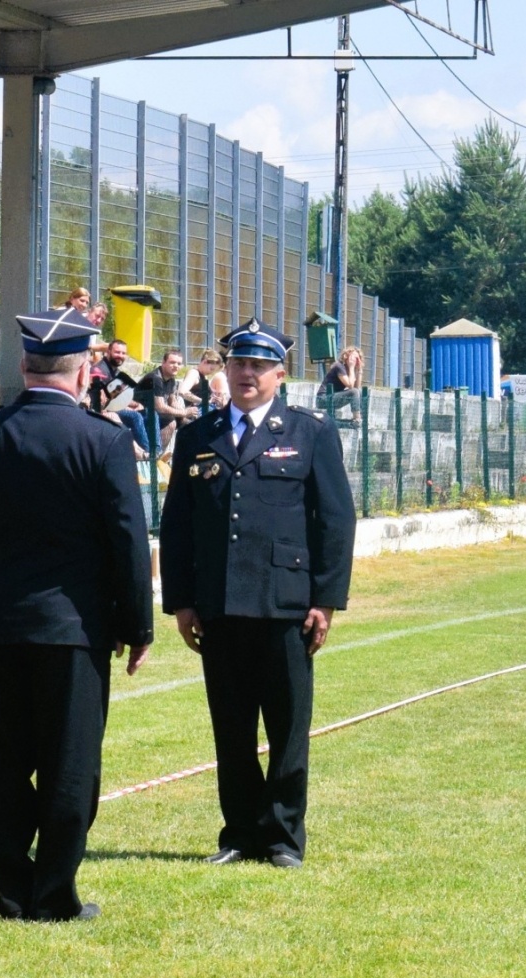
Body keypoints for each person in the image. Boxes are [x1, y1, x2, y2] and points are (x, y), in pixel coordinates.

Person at [0, 305, 153, 922]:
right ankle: (54, 893)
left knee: (4, 765)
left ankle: (13, 893)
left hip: (2, 626)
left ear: (24, 366)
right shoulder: (105, 440)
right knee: (71, 764)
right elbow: (128, 542)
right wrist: (136, 627)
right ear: (86, 369)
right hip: (75, 629)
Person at [159, 318, 356, 869]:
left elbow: (335, 523)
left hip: (285, 604)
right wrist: (181, 601)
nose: (247, 374)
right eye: (239, 363)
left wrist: (326, 600)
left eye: (259, 365)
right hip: (220, 603)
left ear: (279, 373)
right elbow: (178, 525)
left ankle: (283, 838)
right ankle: (240, 833)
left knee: (289, 727)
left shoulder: (309, 433)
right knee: (232, 726)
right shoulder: (200, 435)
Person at [140, 348, 201, 448]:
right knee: (170, 422)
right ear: (163, 362)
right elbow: (160, 407)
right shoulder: (155, 378)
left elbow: (172, 402)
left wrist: (190, 414)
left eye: (179, 363)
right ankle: (156, 456)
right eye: (172, 362)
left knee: (192, 424)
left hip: (155, 414)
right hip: (141, 412)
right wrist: (185, 412)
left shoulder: (171, 379)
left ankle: (186, 456)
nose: (176, 366)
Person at [316, 346, 364, 422]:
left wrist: (359, 370)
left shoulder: (350, 371)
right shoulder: (339, 366)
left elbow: (357, 388)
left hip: (333, 397)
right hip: (323, 399)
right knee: (354, 392)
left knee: (359, 392)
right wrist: (352, 367)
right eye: (353, 357)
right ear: (346, 356)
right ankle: (357, 417)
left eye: (357, 359)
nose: (354, 360)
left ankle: (360, 417)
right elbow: (350, 385)